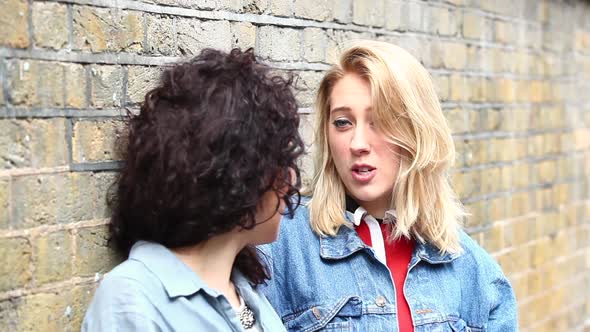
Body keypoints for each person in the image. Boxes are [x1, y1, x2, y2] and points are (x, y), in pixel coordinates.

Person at [260, 40, 518, 332]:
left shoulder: (473, 272)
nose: (357, 144)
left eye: (379, 121)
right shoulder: (279, 247)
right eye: (343, 123)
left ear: (416, 131)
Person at [82, 48, 304, 331]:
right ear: (239, 175)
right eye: (280, 162)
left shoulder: (244, 291)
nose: (290, 178)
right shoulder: (133, 301)